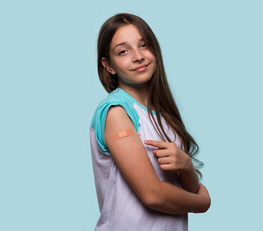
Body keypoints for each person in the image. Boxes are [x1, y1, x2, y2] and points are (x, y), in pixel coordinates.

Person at [90, 13, 211, 231]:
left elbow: (188, 189)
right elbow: (152, 195)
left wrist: (186, 167)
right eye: (123, 51)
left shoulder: (164, 115)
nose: (138, 56)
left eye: (143, 45)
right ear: (108, 65)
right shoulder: (116, 112)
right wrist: (203, 203)